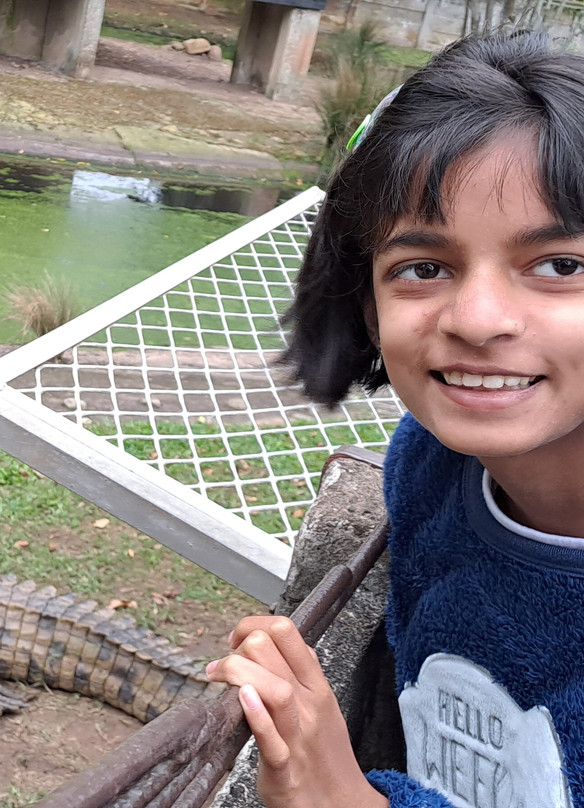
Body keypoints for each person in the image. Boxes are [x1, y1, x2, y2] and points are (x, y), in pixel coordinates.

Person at [204, 30, 584, 808]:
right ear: (365, 301)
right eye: (423, 267)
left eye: (560, 265)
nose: (477, 320)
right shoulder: (430, 466)